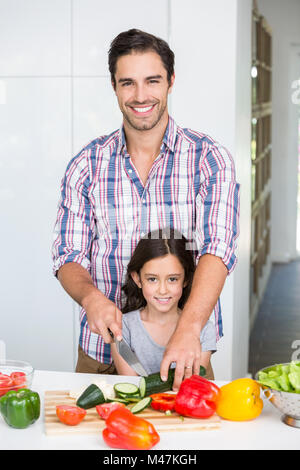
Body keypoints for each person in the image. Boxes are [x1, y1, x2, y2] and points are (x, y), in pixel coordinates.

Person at [52, 28, 240, 391]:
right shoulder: (85, 165)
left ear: (171, 81)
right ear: (114, 86)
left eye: (152, 81)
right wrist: (91, 298)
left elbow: (218, 251)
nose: (140, 96)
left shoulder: (210, 160)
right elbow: (67, 256)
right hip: (101, 357)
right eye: (128, 83)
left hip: (186, 353)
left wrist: (189, 329)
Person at [111, 228, 216, 379]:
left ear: (185, 279)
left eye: (172, 279)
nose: (162, 290)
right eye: (152, 279)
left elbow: (191, 381)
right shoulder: (122, 327)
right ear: (137, 279)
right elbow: (132, 386)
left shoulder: (204, 330)